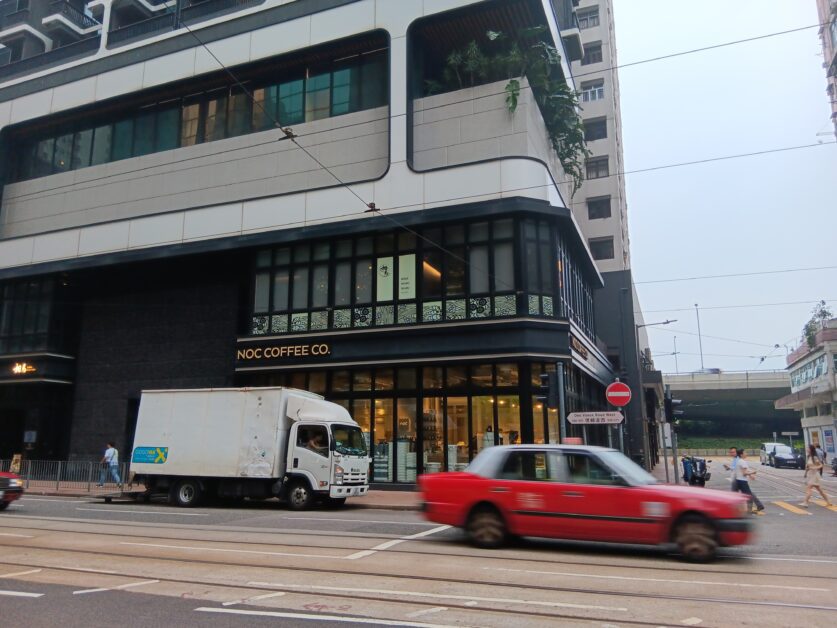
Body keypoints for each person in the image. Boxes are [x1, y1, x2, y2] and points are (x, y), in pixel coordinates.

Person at [734, 449, 764, 514]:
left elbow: (745, 471)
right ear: (741, 454)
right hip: (742, 481)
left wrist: (751, 475)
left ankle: (759, 506)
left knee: (748, 494)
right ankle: (752, 509)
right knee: (749, 495)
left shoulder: (740, 461)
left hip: (739, 481)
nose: (746, 453)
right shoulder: (742, 462)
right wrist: (754, 472)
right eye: (745, 452)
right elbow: (744, 473)